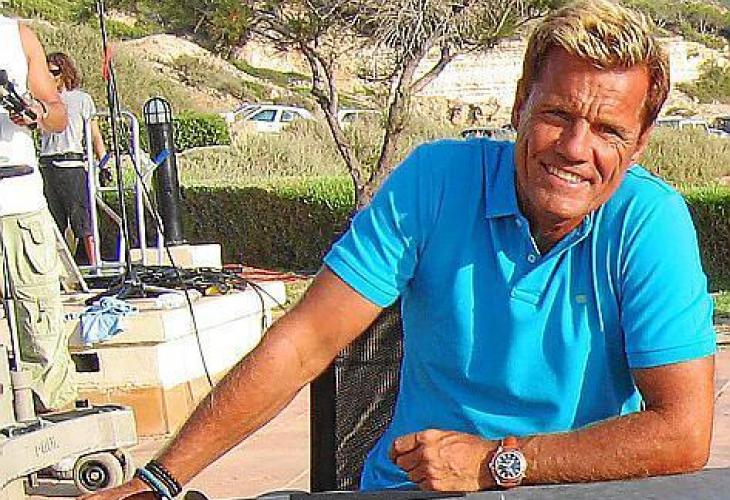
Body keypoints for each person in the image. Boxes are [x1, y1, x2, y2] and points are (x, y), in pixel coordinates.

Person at [88, 1, 716, 497]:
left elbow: (683, 433)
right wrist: (161, 480)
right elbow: (305, 341)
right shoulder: (436, 180)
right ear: (520, 102)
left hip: (564, 490)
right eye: (557, 114)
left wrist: (496, 463)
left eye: (608, 129)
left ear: (640, 144)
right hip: (412, 490)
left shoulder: (649, 222)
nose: (575, 149)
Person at [0, 16, 74, 411]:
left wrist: (38, 111)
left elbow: (58, 115)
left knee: (39, 319)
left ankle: (54, 418)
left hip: (19, 201)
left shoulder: (18, 36)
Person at [40, 51, 108, 267]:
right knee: (53, 222)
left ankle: (95, 263)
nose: (50, 77)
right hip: (48, 163)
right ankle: (54, 268)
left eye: (54, 72)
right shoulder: (42, 99)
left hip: (71, 163)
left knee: (82, 219)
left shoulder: (81, 99)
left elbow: (95, 134)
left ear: (64, 73)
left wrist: (104, 162)